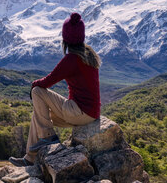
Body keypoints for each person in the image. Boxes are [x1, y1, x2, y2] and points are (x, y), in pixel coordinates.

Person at [9, 12, 101, 167]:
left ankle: (48, 137)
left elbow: (48, 81)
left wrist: (33, 84)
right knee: (38, 114)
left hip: (78, 112)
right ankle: (29, 159)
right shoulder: (89, 55)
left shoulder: (72, 59)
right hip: (89, 114)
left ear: (65, 38)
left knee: (37, 91)